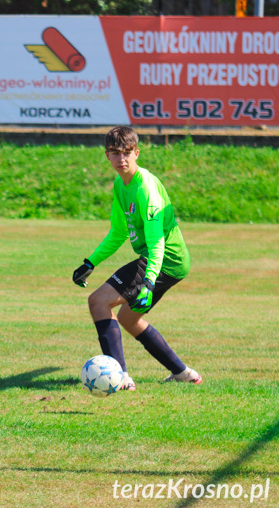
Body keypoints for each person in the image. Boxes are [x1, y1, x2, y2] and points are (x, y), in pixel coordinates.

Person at [72, 125, 201, 391]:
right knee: (129, 320)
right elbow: (119, 232)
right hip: (163, 261)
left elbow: (157, 243)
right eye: (115, 153)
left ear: (137, 153)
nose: (122, 159)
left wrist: (149, 282)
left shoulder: (146, 188)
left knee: (98, 301)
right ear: (107, 155)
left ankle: (120, 377)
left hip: (166, 260)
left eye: (127, 153)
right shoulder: (121, 185)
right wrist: (90, 262)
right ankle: (183, 373)